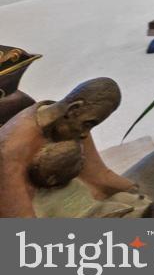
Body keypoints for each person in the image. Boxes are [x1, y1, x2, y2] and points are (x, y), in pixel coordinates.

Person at [0, 79, 142, 219]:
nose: (85, 134)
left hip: (84, 203)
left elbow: (99, 175)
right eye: (88, 124)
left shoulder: (71, 122)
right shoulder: (10, 150)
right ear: (73, 109)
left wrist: (134, 190)